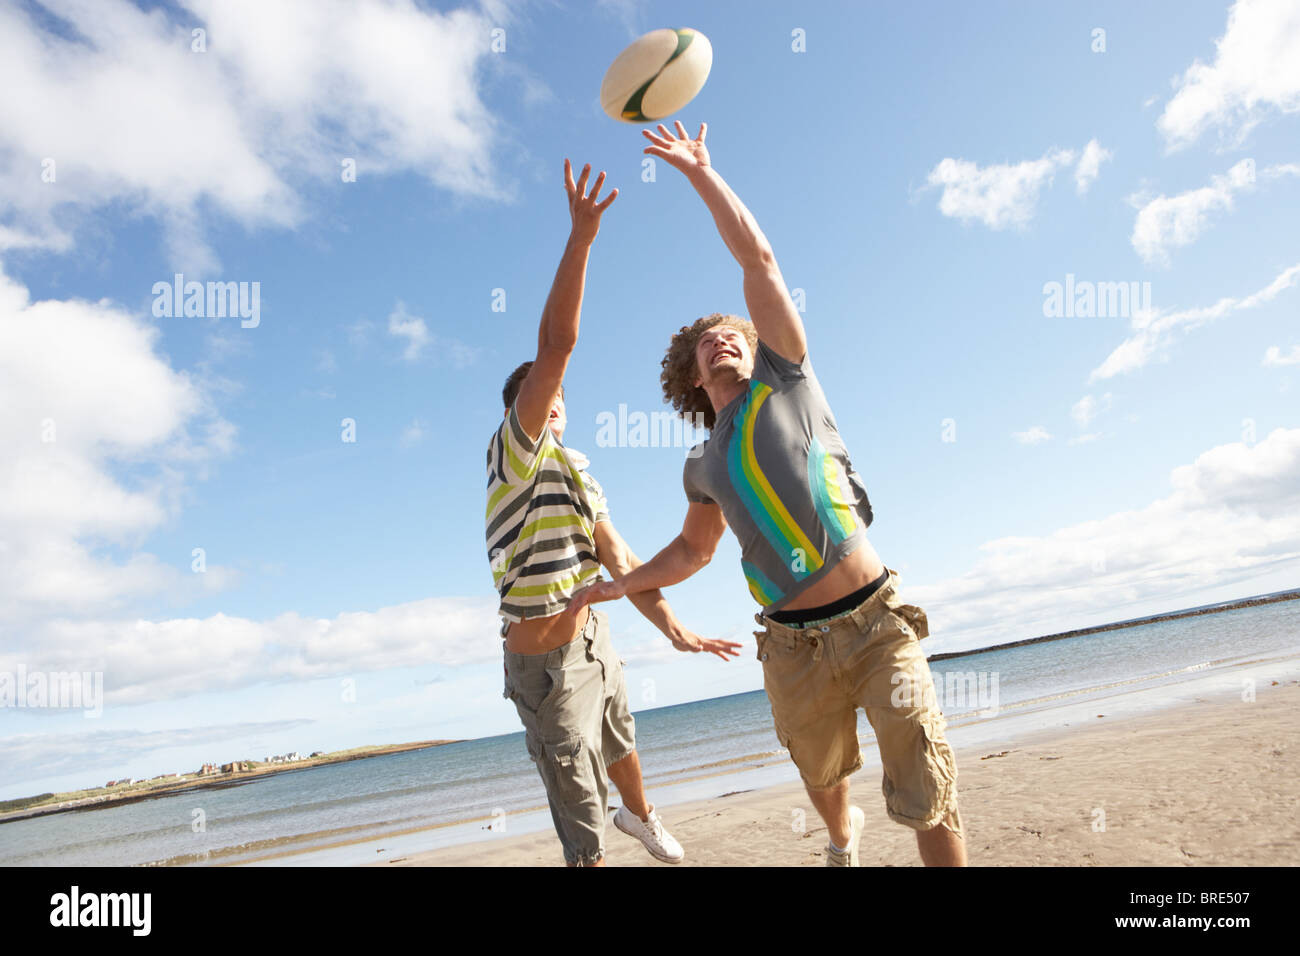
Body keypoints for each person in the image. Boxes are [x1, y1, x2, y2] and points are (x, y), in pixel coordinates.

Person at [569, 124, 968, 867]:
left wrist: (700, 172)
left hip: (877, 621)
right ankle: (842, 842)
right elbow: (693, 550)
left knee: (925, 777)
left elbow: (758, 259)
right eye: (708, 340)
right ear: (691, 373)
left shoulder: (788, 379)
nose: (724, 340)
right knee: (820, 772)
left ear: (757, 347)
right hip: (790, 646)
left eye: (735, 334)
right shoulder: (700, 463)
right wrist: (620, 584)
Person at [486, 158, 742, 867]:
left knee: (622, 738)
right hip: (540, 663)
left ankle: (645, 816)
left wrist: (677, 630)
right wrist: (582, 238)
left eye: (559, 396)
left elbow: (622, 564)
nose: (556, 399)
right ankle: (601, 841)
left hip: (590, 634)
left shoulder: (579, 475)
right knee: (582, 825)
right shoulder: (513, 453)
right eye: (544, 394)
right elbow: (556, 346)